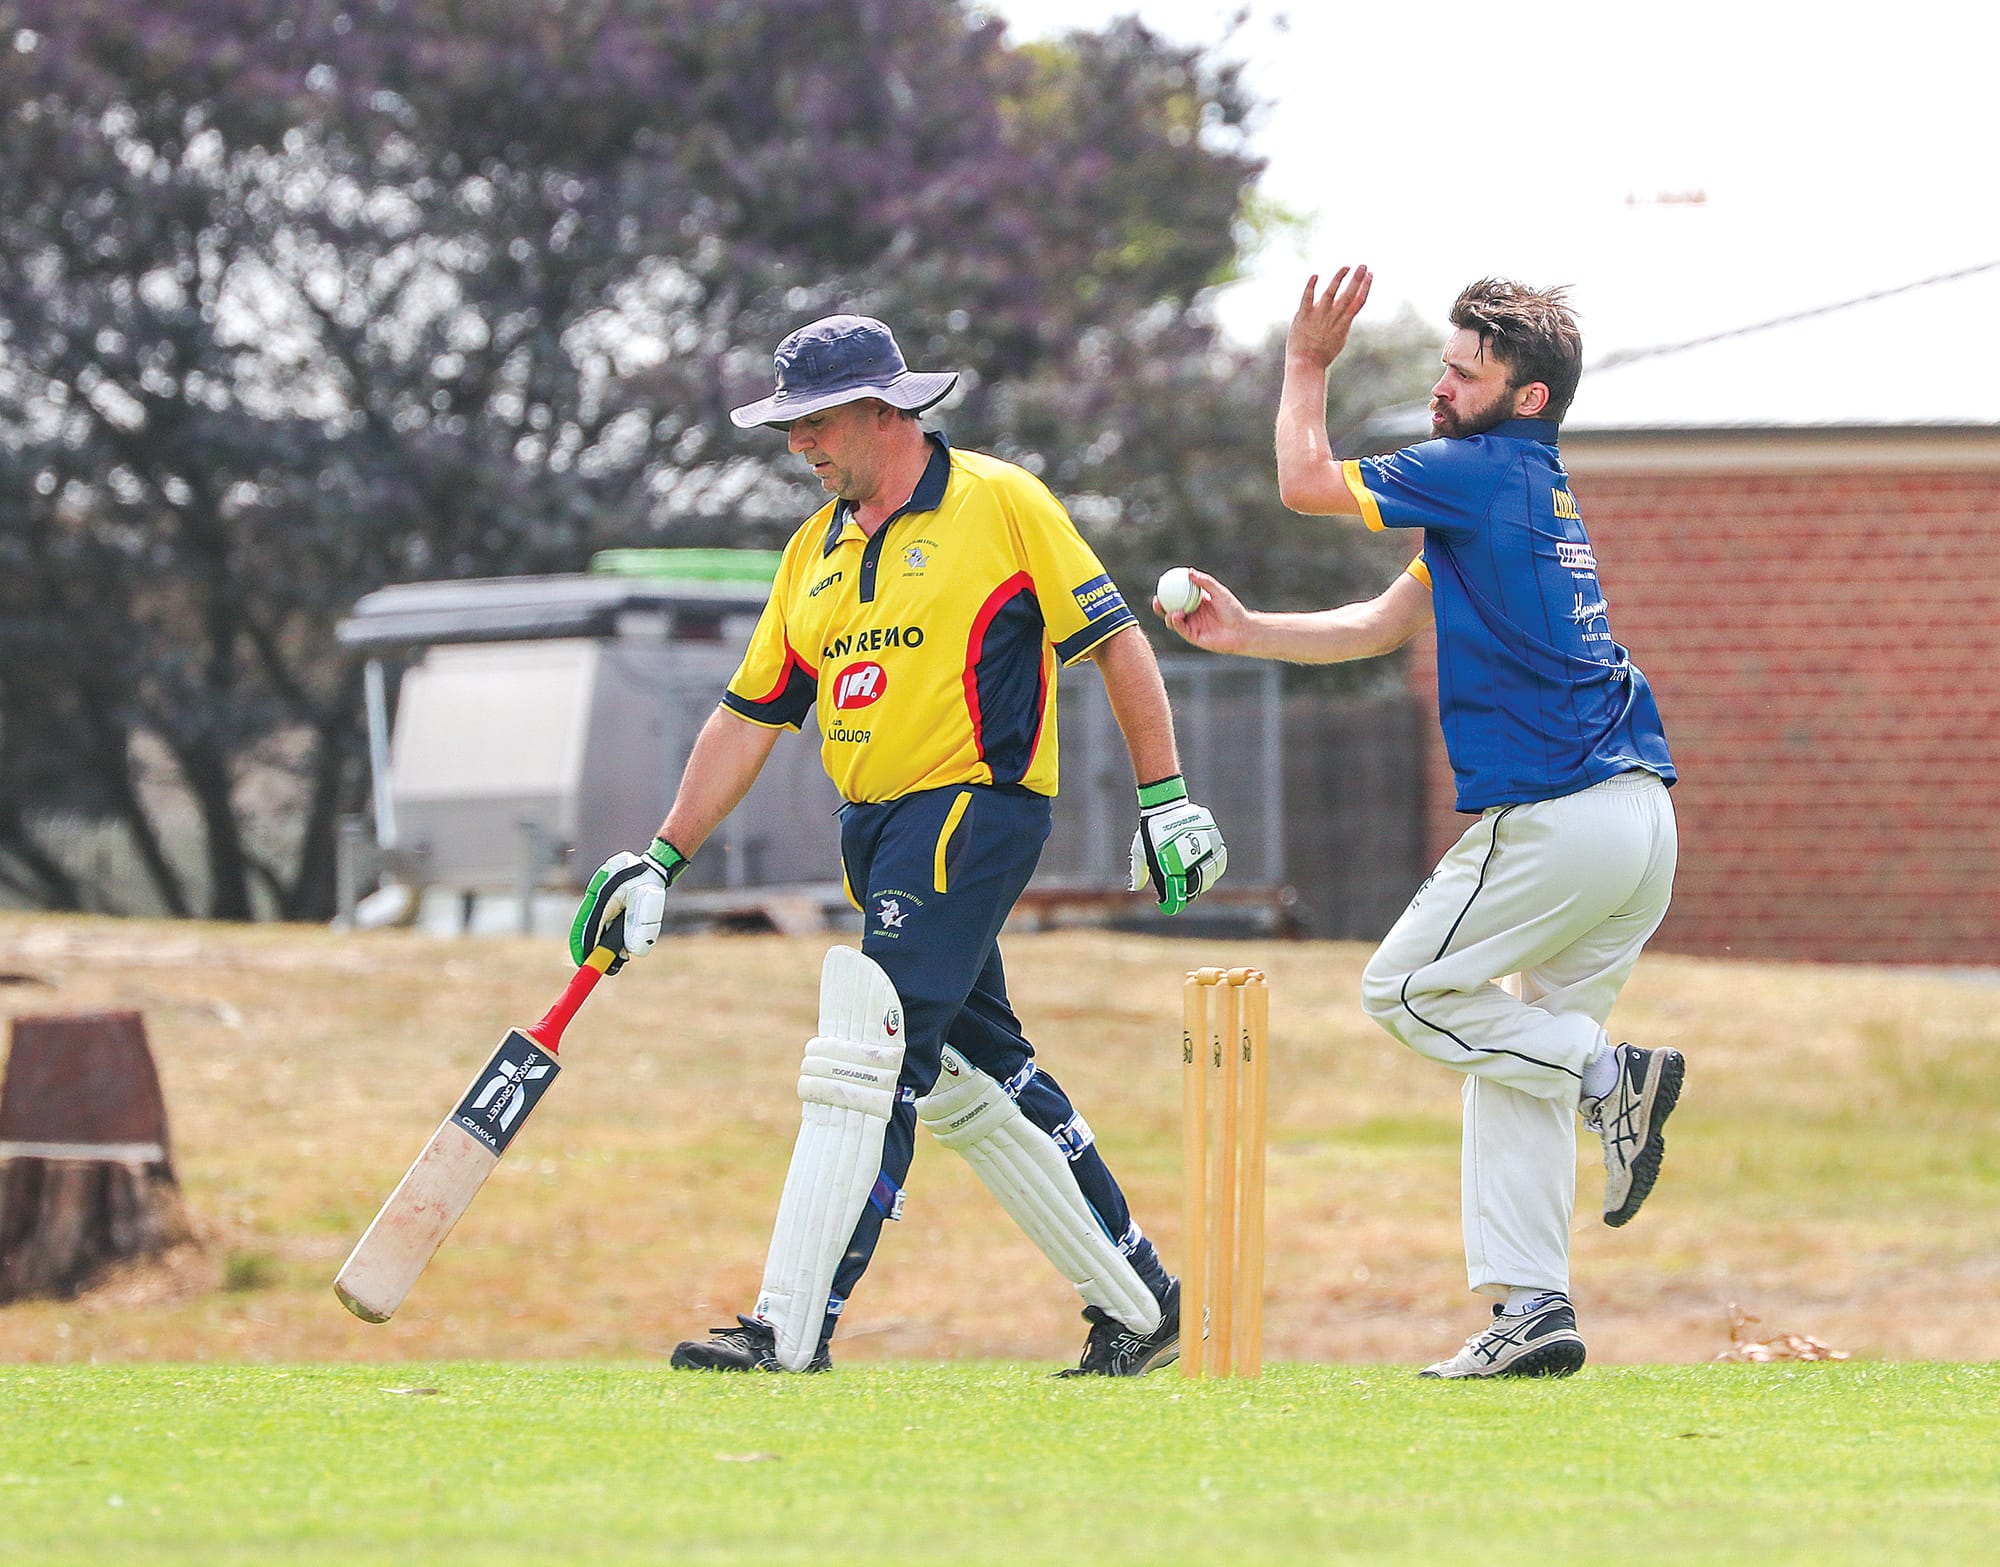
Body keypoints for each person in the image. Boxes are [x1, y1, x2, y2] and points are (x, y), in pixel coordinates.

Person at [570, 314, 1226, 1376]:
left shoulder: (998, 502)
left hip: (972, 806)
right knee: (976, 1070)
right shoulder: (812, 551)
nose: (798, 446)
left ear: (888, 410)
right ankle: (1141, 1301)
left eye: (815, 423)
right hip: (870, 829)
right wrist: (661, 854)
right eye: (788, 428)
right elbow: (747, 715)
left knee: (866, 1051)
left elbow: (1112, 641)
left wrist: (1166, 799)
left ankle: (790, 1325)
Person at [1160, 267, 1682, 1379]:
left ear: (1525, 397)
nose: (1440, 387)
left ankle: (1608, 1074)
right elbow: (1377, 623)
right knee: (1510, 1056)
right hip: (1636, 823)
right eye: (1443, 366)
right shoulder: (1515, 487)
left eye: (1464, 373)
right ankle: (1531, 1305)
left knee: (1402, 990)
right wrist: (1249, 633)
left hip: (1556, 814)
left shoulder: (1476, 468)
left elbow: (1303, 477)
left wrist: (1304, 361)